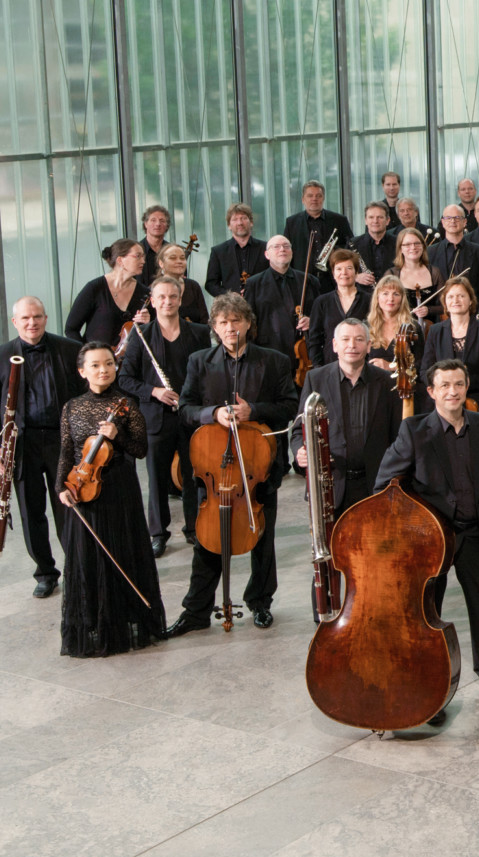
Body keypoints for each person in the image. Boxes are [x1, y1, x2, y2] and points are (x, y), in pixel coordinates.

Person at [373, 359, 479, 702]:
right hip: (432, 539)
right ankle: (428, 682)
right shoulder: (414, 431)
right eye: (444, 386)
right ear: (431, 392)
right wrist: (410, 527)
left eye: (458, 384)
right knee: (428, 611)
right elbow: (385, 485)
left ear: (466, 386)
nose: (452, 391)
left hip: (475, 533)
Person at [168, 293, 299, 633]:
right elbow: (185, 409)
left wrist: (252, 411)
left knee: (262, 538)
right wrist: (213, 414)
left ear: (248, 324)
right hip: (214, 467)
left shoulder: (274, 361)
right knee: (208, 539)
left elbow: (288, 405)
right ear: (214, 327)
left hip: (258, 467)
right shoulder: (199, 361)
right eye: (223, 322)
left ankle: (260, 602)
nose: (230, 327)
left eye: (236, 320)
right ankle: (196, 610)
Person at [53, 342, 167, 656]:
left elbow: (141, 449)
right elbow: (66, 452)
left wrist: (119, 437)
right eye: (95, 365)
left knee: (122, 553)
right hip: (84, 491)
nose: (103, 370)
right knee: (88, 558)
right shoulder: (72, 407)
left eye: (109, 364)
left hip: (118, 489)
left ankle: (123, 621)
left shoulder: (126, 404)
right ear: (82, 371)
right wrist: (62, 487)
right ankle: (94, 623)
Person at [0, 297, 86, 596]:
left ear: (46, 318)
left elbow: (83, 397)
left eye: (37, 317)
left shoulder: (68, 349)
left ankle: (76, 568)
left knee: (68, 506)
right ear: (15, 322)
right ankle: (45, 572)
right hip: (22, 445)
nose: (32, 323)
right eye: (25, 318)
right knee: (31, 512)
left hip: (61, 441)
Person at [115, 275, 211, 555]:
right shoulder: (140, 335)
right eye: (162, 297)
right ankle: (158, 533)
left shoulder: (199, 333)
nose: (167, 302)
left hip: (190, 414)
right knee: (157, 478)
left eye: (173, 296)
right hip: (157, 416)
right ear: (153, 301)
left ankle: (194, 527)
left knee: (194, 474)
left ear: (180, 300)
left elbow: (208, 373)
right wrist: (154, 392)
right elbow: (125, 379)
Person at [295, 319, 400, 513]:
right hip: (331, 487)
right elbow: (298, 431)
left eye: (359, 339)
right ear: (335, 345)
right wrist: (299, 452)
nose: (352, 345)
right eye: (345, 339)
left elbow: (398, 435)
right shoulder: (315, 378)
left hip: (376, 486)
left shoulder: (386, 382)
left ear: (369, 346)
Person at [420, 276, 479, 411]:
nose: (456, 300)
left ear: (471, 300)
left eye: (461, 296)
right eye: (451, 296)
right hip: (443, 404)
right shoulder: (435, 331)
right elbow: (425, 371)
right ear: (445, 302)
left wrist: (470, 382)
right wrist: (444, 386)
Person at [65, 239, 149, 347]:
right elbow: (71, 329)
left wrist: (148, 323)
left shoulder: (145, 293)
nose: (143, 261)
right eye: (138, 256)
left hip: (131, 361)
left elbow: (153, 334)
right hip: (98, 360)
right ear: (120, 260)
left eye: (143, 256)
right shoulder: (94, 288)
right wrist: (86, 354)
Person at [282, 182, 356, 297]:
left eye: (318, 196)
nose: (314, 199)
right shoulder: (292, 222)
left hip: (332, 279)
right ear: (303, 199)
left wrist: (334, 250)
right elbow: (287, 251)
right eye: (310, 196)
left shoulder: (339, 220)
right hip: (303, 281)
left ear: (323, 198)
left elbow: (351, 246)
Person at [306, 249, 372, 372]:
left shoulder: (370, 300)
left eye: (349, 268)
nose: (344, 273)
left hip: (363, 365)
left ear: (356, 272)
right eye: (339, 269)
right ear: (333, 273)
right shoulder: (321, 302)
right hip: (329, 365)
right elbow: (314, 338)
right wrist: (318, 367)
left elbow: (375, 334)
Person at [205, 204, 269, 298]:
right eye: (235, 219)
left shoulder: (265, 248)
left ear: (251, 222)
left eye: (243, 218)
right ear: (229, 225)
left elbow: (272, 278)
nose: (240, 223)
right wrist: (229, 296)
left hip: (261, 305)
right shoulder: (218, 251)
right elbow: (211, 284)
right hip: (231, 307)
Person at [429, 205, 479, 289]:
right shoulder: (430, 252)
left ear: (464, 222)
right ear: (443, 222)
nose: (453, 221)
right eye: (448, 218)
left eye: (457, 217)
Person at [153, 242, 210, 325]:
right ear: (161, 263)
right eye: (173, 258)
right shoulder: (155, 289)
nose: (179, 261)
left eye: (182, 258)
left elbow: (204, 320)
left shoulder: (193, 286)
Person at [394, 228, 439, 323]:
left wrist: (429, 310)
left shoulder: (434, 272)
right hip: (402, 330)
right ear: (400, 248)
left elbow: (445, 305)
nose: (413, 247)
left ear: (423, 246)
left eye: (417, 243)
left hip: (429, 329)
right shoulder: (393, 274)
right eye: (407, 244)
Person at [350, 202, 396, 285]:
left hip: (391, 292)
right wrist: (356, 277)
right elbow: (342, 270)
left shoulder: (398, 243)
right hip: (362, 294)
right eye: (371, 217)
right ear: (366, 220)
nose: (375, 221)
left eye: (380, 217)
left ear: (387, 220)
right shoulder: (353, 244)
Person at [137, 202, 175, 268]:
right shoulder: (136, 251)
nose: (158, 224)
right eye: (153, 220)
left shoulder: (172, 251)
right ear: (146, 224)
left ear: (167, 225)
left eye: (162, 221)